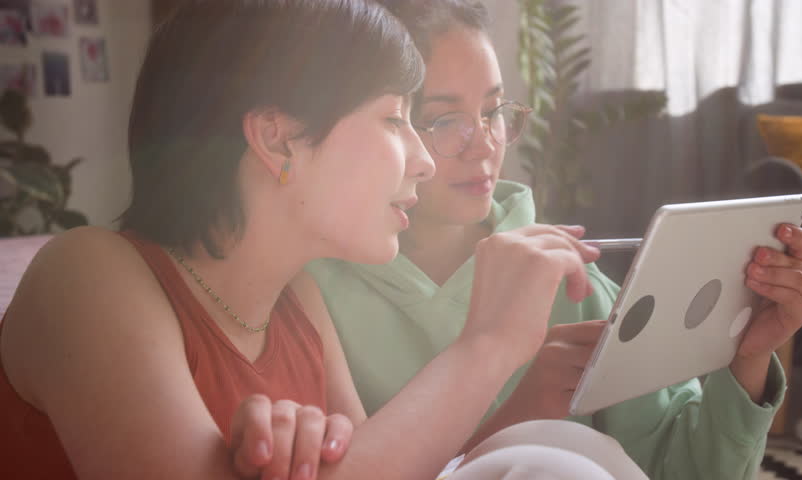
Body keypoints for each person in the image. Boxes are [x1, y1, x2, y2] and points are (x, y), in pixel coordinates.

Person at [0, 1, 650, 479]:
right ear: (277, 139)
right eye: (396, 119)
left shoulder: (298, 304)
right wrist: (487, 345)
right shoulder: (89, 274)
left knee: (567, 453)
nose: (423, 161)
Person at [306, 1, 802, 478]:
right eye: (443, 120)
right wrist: (519, 415)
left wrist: (749, 359)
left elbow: (683, 470)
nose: (485, 143)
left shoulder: (573, 284)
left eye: (493, 111)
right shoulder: (309, 294)